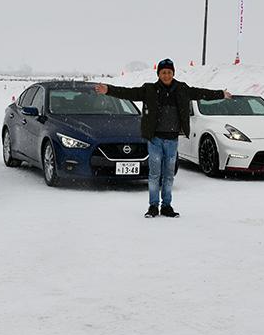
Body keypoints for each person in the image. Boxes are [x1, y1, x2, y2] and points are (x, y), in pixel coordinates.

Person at [95, 59, 231, 218]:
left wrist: (221, 93)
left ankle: (167, 206)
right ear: (158, 74)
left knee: (168, 175)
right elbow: (128, 92)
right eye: (163, 72)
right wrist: (109, 90)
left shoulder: (182, 89)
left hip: (172, 140)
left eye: (169, 72)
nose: (166, 75)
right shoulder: (149, 89)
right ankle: (153, 206)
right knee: (154, 174)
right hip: (155, 140)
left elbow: (201, 93)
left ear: (173, 73)